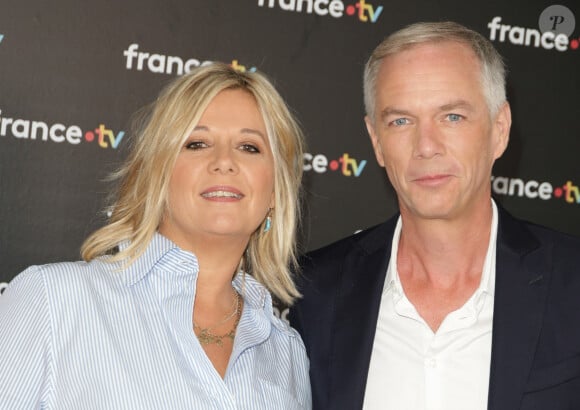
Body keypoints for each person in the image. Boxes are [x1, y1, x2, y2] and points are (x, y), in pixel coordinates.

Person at [290, 21, 580, 410]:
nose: (426, 146)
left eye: (452, 117)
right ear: (376, 142)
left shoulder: (571, 282)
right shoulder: (314, 294)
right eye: (401, 121)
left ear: (500, 129)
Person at [0, 62, 311, 409]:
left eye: (249, 147)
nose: (224, 162)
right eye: (197, 143)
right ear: (158, 174)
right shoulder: (52, 302)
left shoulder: (286, 352)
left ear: (274, 193)